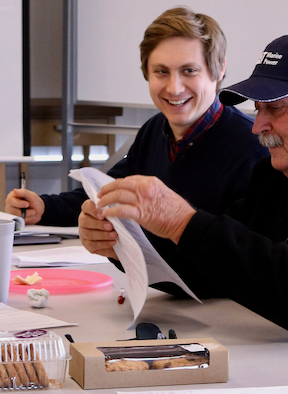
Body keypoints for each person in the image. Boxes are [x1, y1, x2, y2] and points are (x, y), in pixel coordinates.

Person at [85, 30, 288, 394]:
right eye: (258, 109)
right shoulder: (279, 172)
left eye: (276, 108)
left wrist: (181, 221)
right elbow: (214, 271)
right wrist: (124, 243)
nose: (257, 126)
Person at [5, 7, 269, 298]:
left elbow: (232, 265)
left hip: (228, 314)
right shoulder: (155, 130)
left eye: (189, 71)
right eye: (161, 72)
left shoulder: (255, 148)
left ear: (218, 70)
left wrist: (119, 250)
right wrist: (44, 207)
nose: (174, 87)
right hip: (169, 306)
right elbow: (110, 191)